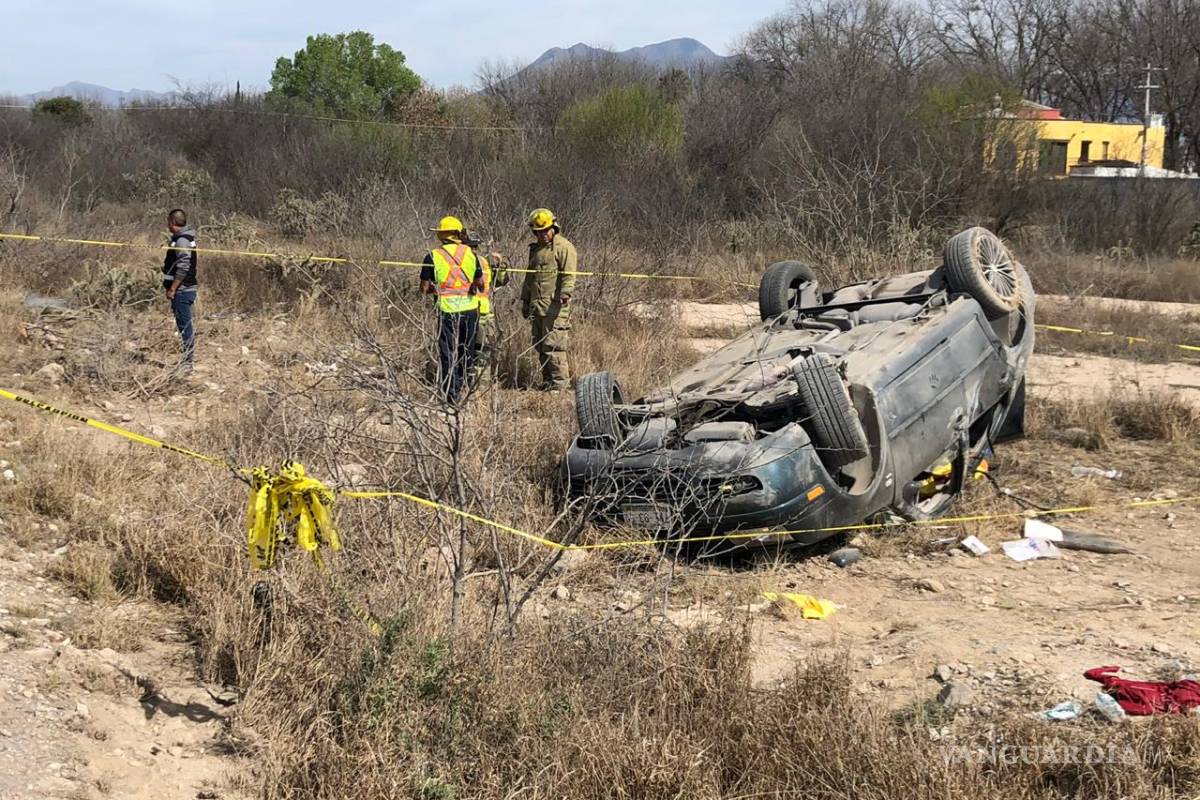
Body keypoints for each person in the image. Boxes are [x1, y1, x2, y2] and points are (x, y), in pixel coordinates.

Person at [420, 216, 485, 403]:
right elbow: (480, 284)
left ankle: (451, 393)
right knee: (467, 350)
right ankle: (464, 386)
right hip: (470, 310)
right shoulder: (471, 254)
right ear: (458, 233)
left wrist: (436, 289)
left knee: (448, 352)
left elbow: (424, 288)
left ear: (440, 235)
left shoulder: (432, 256)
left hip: (447, 310)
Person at [520, 208, 577, 391]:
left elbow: (569, 275)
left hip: (555, 308)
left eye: (545, 230)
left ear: (553, 227)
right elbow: (530, 279)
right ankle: (548, 384)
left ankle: (560, 388)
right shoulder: (536, 250)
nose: (542, 234)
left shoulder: (564, 247)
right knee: (541, 347)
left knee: (555, 348)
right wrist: (525, 301)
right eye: (538, 232)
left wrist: (566, 293)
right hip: (537, 307)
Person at [464, 230, 508, 388]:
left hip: (471, 312)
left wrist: (499, 266)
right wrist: (500, 266)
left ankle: (475, 385)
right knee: (481, 351)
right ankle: (478, 385)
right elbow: (502, 281)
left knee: (475, 351)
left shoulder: (464, 261)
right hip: (481, 312)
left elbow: (500, 280)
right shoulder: (483, 261)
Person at [162, 208, 198, 374]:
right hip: (183, 289)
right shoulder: (182, 238)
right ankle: (186, 360)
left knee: (185, 327)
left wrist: (173, 288)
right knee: (183, 325)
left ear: (172, 222)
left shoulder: (182, 240)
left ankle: (187, 363)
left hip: (182, 290)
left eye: (168, 222)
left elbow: (184, 266)